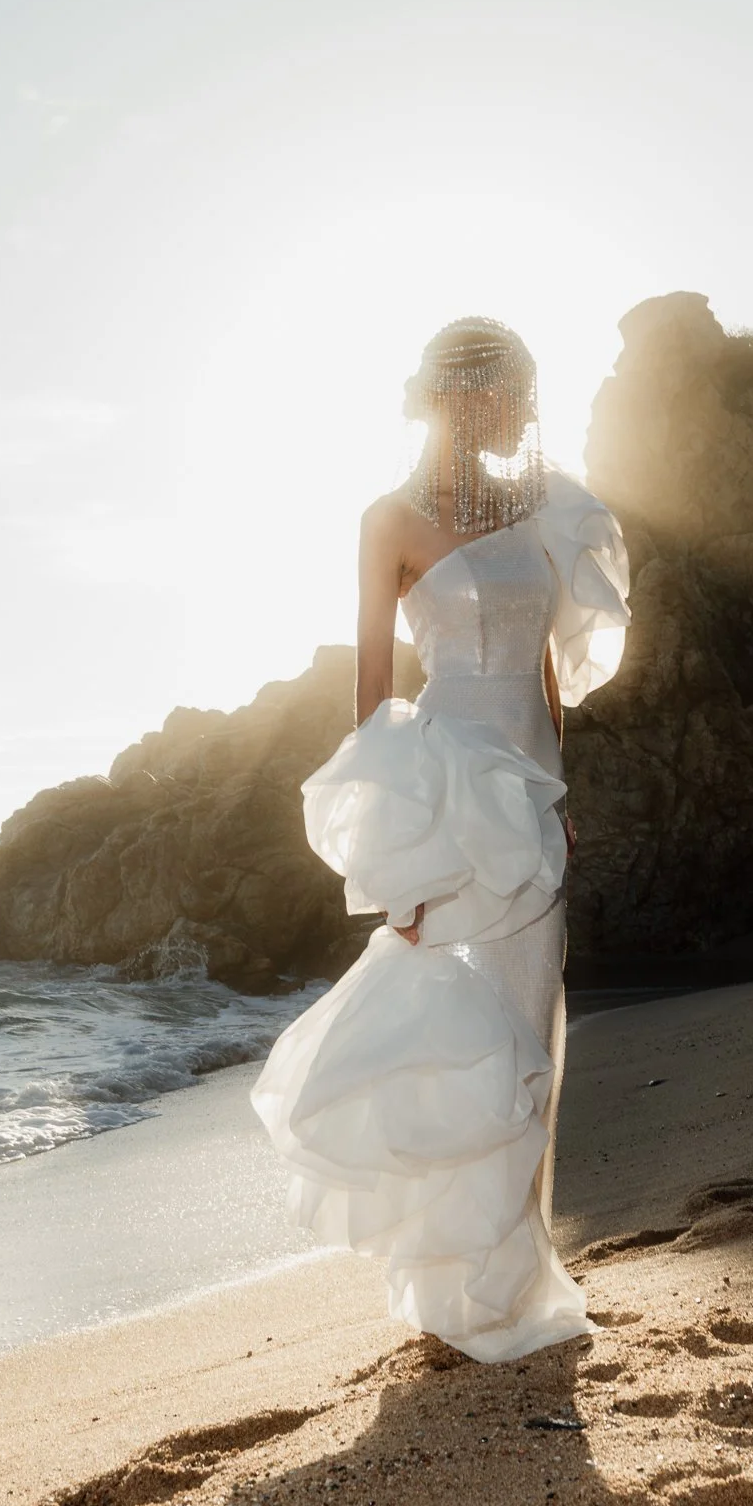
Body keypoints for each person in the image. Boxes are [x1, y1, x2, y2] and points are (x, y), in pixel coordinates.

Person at [252, 317, 630, 1361]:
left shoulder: (534, 512)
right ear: (463, 397)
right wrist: (392, 856)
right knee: (462, 1043)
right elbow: (373, 703)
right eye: (503, 393)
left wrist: (558, 795)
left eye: (522, 394)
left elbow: (550, 672)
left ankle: (523, 1273)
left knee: (533, 1036)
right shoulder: (389, 521)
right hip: (447, 802)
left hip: (529, 799)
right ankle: (458, 1286)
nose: (516, 414)